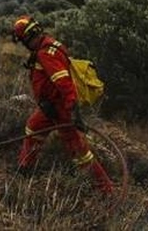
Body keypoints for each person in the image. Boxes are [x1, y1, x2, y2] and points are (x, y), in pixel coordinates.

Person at [12, 15, 114, 194]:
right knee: (33, 129)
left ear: (28, 38)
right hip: (49, 106)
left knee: (78, 149)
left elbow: (64, 83)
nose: (24, 46)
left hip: (60, 108)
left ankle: (105, 189)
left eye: (23, 41)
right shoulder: (48, 45)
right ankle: (25, 168)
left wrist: (73, 112)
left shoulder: (46, 54)